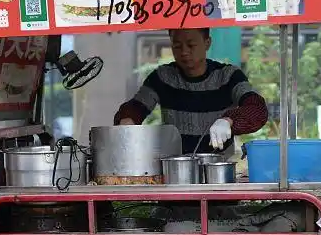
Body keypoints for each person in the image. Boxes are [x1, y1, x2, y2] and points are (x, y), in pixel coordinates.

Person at [113, 27, 268, 156]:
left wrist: (229, 121)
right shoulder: (162, 77)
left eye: (191, 45)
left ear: (207, 43)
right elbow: (137, 106)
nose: (184, 52)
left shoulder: (228, 76)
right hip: (175, 168)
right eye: (177, 46)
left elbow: (257, 108)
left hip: (218, 169)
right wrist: (128, 119)